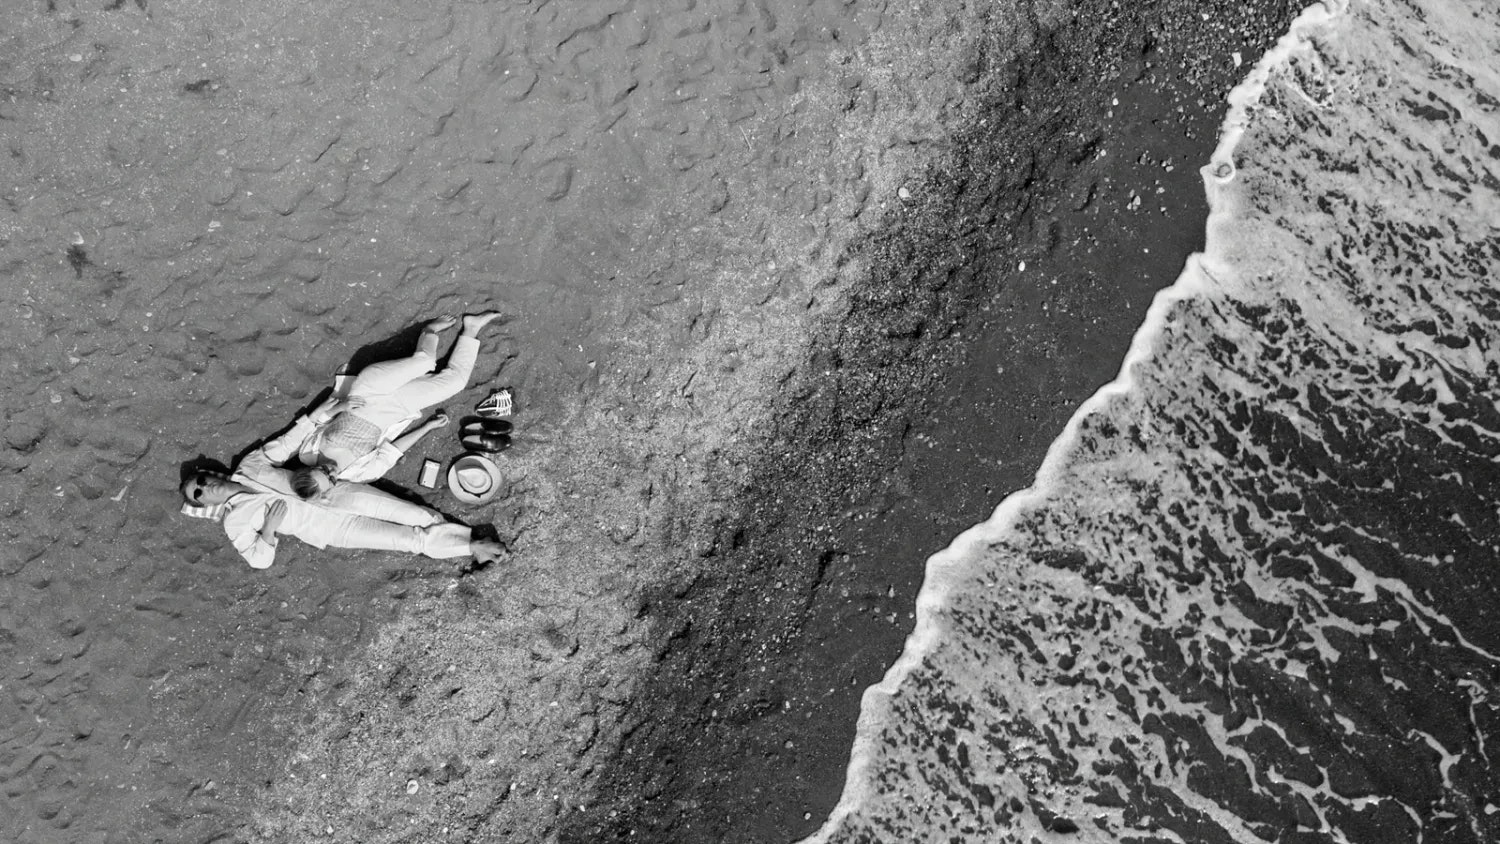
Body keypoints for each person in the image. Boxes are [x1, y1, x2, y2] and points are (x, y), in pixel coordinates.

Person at [180, 416, 505, 569]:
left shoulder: (249, 466)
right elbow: (259, 560)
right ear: (205, 502)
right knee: (408, 540)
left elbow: (287, 444)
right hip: (332, 529)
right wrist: (267, 530)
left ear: (209, 475)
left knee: (420, 515)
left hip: (338, 494)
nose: (203, 487)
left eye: (199, 481)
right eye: (198, 494)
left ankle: (469, 541)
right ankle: (470, 546)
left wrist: (313, 418)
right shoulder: (234, 522)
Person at [285, 310, 503, 498]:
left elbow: (318, 418)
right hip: (398, 407)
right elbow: (393, 450)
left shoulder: (307, 452)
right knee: (456, 382)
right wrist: (427, 427)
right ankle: (471, 328)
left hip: (367, 392)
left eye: (323, 470)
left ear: (309, 469)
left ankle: (430, 330)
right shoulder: (359, 474)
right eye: (332, 479)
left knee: (426, 361)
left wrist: (339, 408)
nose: (331, 471)